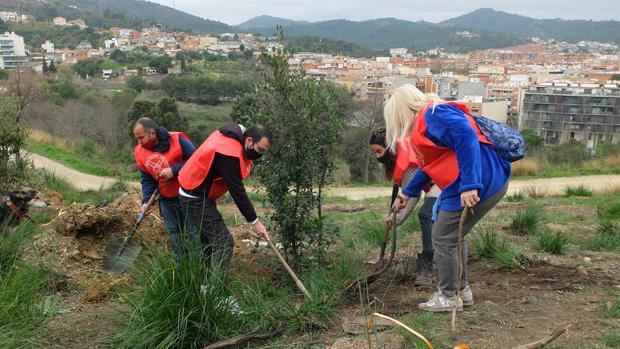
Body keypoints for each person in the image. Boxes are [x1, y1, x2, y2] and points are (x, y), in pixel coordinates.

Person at [385, 84, 511, 312]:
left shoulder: (434, 115)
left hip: (480, 180)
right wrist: (407, 193)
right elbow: (431, 164)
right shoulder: (429, 120)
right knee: (453, 235)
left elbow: (466, 137)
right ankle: (462, 291)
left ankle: (448, 296)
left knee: (443, 236)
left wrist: (471, 184)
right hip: (470, 181)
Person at [177, 122, 271, 273]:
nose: (259, 155)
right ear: (249, 140)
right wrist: (254, 221)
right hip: (193, 196)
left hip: (199, 193)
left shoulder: (234, 136)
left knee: (208, 241)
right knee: (223, 241)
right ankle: (216, 292)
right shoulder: (229, 152)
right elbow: (237, 190)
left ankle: (204, 286)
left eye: (263, 152)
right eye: (259, 149)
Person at [369, 128, 441, 286]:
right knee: (429, 216)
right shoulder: (399, 156)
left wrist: (396, 219)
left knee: (426, 214)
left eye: (379, 151)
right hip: (433, 184)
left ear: (389, 148)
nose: (377, 156)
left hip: (446, 182)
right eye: (374, 152)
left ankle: (429, 264)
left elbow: (412, 196)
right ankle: (436, 257)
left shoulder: (408, 158)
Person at [133, 117, 197, 257]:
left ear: (153, 133)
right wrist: (146, 200)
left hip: (188, 196)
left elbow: (196, 159)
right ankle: (180, 265)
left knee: (194, 232)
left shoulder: (177, 140)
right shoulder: (139, 152)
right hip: (166, 198)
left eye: (141, 137)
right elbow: (147, 179)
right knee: (174, 233)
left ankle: (197, 266)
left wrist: (173, 171)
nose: (139, 142)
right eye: (136, 138)